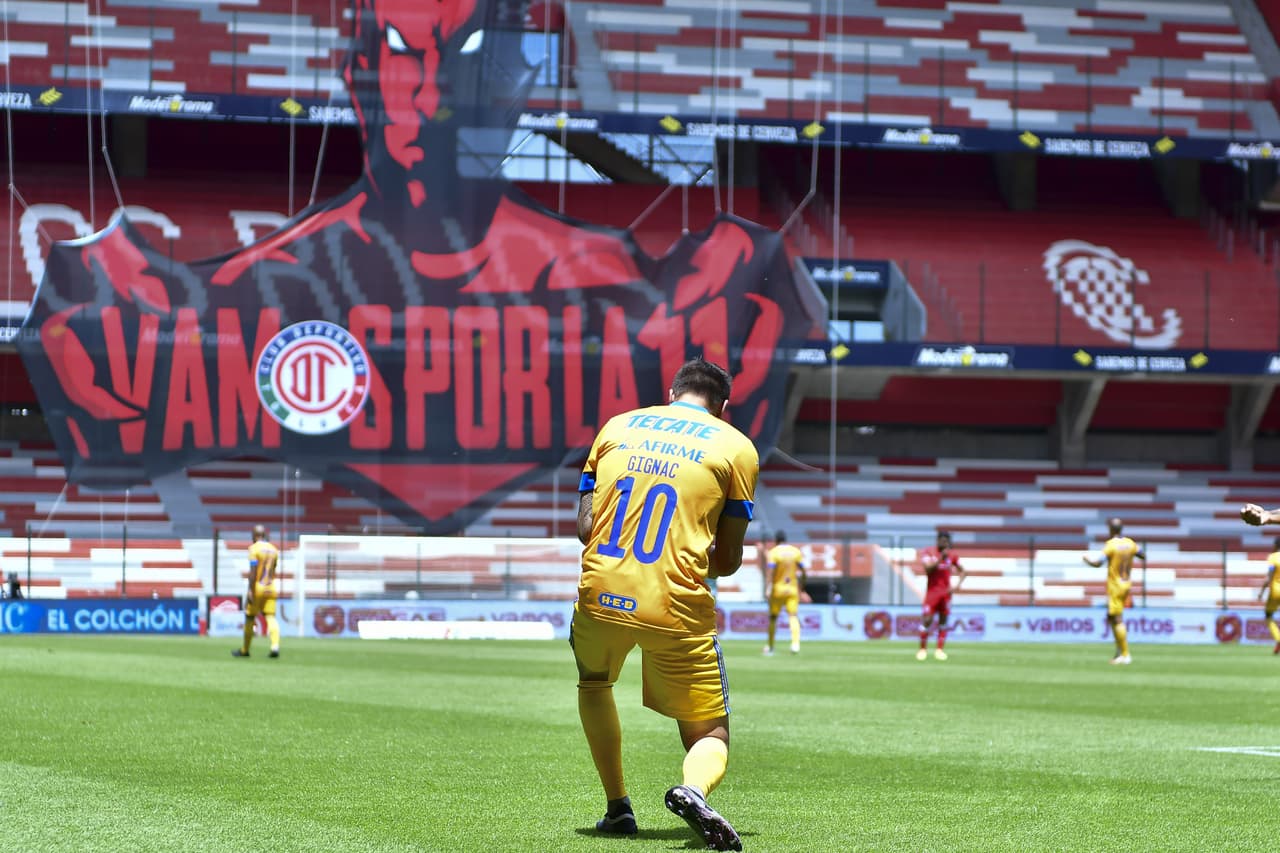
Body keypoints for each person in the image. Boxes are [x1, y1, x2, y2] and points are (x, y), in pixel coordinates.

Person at [572, 357, 757, 852]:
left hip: (600, 594)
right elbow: (729, 561)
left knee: (594, 684)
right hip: (673, 604)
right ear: (723, 407)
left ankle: (617, 809)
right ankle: (692, 790)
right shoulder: (736, 447)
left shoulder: (618, 426)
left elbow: (587, 527)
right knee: (708, 733)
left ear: (672, 394)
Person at [1083, 517, 1143, 665]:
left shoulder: (1111, 545)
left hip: (1115, 585)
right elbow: (1142, 554)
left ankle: (1125, 654)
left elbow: (1098, 563)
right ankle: (1119, 650)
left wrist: (1087, 561)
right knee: (1111, 617)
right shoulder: (1130, 543)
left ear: (1110, 529)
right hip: (1126, 583)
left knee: (1117, 618)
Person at [232, 525, 281, 659]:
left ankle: (245, 650)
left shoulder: (254, 549)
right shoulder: (274, 549)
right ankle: (275, 646)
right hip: (271, 587)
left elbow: (253, 573)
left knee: (249, 617)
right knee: (270, 617)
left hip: (257, 587)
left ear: (254, 536)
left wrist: (250, 591)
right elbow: (273, 569)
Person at [916, 530, 965, 661]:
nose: (944, 543)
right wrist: (940, 559)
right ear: (937, 540)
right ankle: (922, 649)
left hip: (945, 594)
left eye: (946, 541)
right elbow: (927, 569)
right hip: (932, 593)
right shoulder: (929, 552)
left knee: (943, 622)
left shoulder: (952, 556)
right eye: (942, 540)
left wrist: (957, 586)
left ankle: (939, 650)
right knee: (927, 620)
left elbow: (963, 571)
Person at [763, 530, 807, 656]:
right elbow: (804, 571)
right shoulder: (795, 551)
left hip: (778, 589)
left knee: (773, 618)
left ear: (776, 540)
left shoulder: (774, 553)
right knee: (793, 616)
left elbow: (770, 572)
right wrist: (802, 587)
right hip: (792, 589)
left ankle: (771, 647)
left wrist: (768, 588)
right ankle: (795, 644)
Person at [1257, 536, 1280, 655]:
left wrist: (1261, 592)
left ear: (1275, 545)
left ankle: (1279, 639)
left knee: (1268, 616)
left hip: (1276, 591)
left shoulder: (1273, 557)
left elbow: (1269, 577)